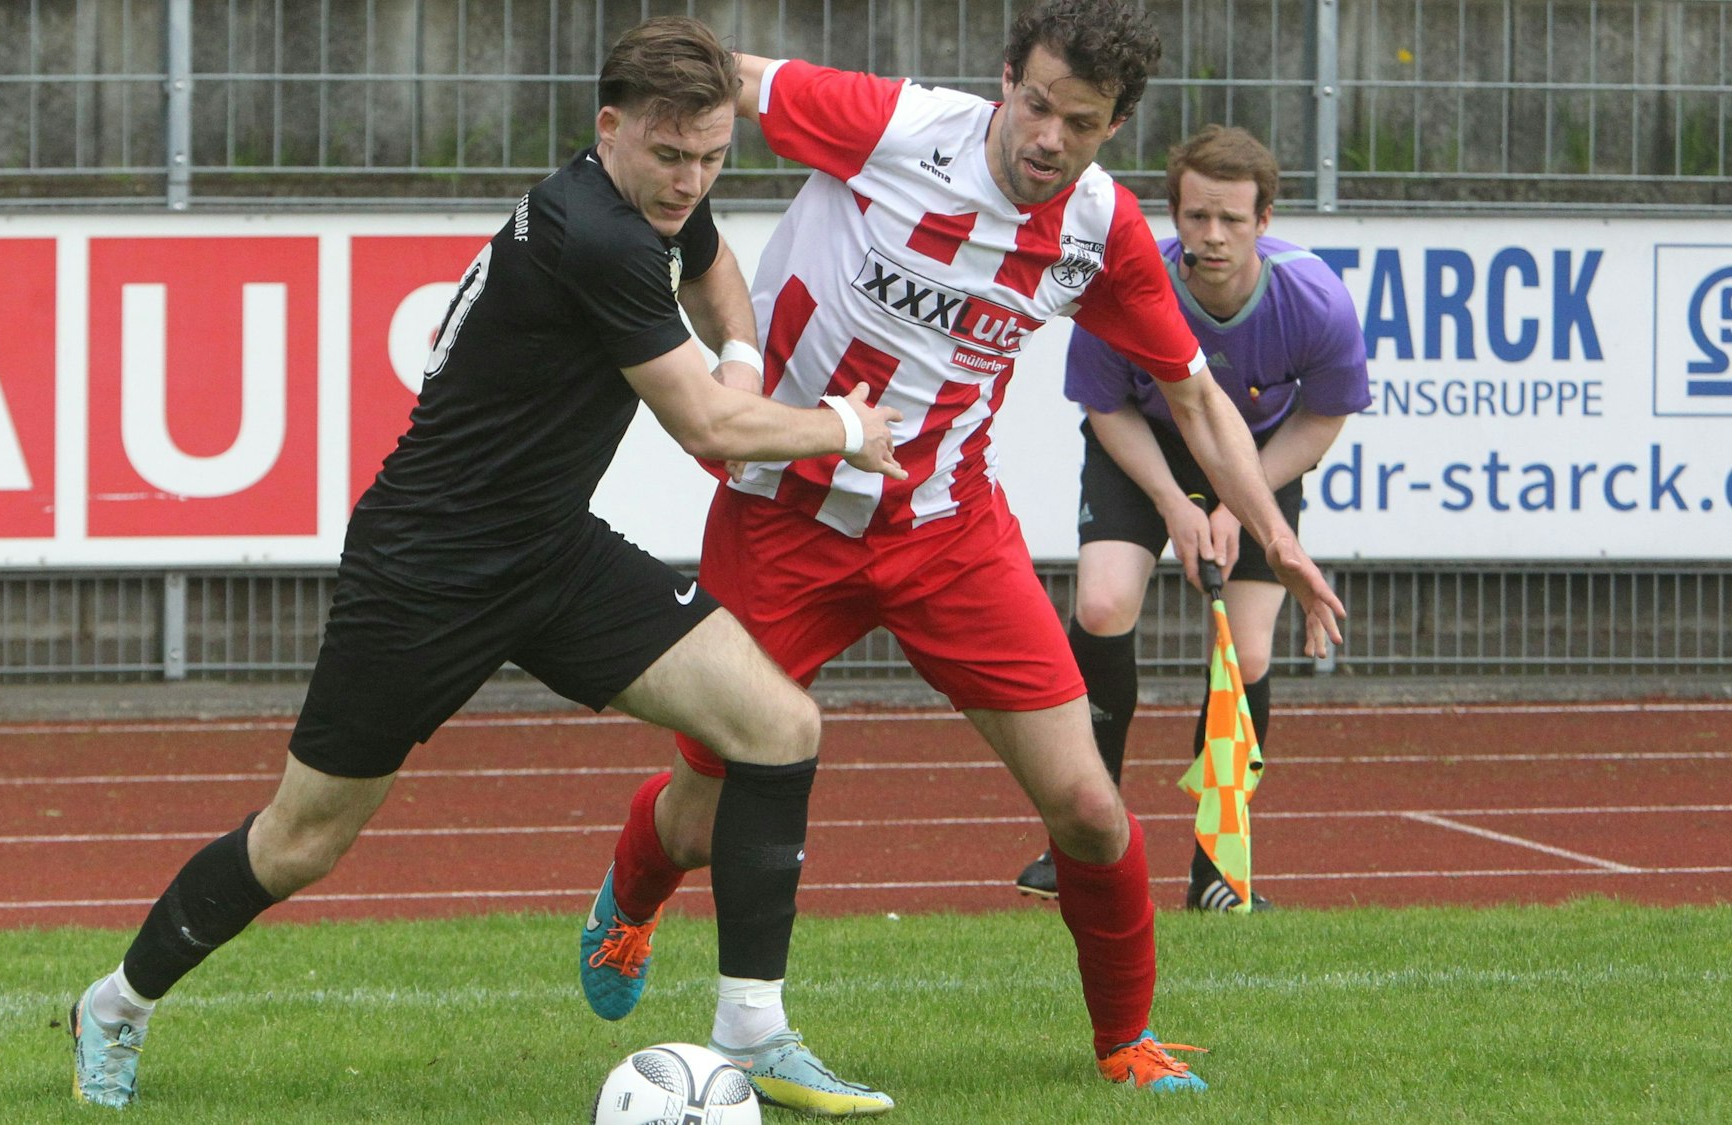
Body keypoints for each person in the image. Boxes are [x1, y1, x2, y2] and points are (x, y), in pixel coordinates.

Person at [64, 17, 907, 1109]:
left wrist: (741, 349)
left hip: (548, 551)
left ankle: (750, 1029)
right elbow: (705, 427)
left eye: (710, 159)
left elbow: (709, 268)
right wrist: (839, 428)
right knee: (302, 842)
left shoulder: (654, 208)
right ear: (609, 130)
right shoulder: (595, 233)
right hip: (425, 571)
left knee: (778, 725)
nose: (690, 182)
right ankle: (117, 1004)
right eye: (669, 156)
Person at [576, 1, 1346, 1112]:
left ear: (1111, 128)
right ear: (1005, 82)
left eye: (1076, 122)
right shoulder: (894, 127)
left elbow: (1192, 394)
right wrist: (609, 158)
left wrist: (1277, 539)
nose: (1044, 136)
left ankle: (1125, 1042)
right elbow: (716, 72)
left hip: (946, 536)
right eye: (1031, 103)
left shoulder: (1101, 231)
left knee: (1085, 804)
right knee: (700, 814)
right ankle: (632, 900)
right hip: (780, 517)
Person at [1011, 124, 1370, 909]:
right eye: (1196, 216)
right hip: (1142, 448)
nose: (1212, 236)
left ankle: (1218, 867)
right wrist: (1175, 502)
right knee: (1102, 602)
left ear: (1264, 221)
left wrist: (1246, 501)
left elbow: (1323, 417)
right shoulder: (1130, 284)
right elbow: (1105, 408)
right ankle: (1080, 834)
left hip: (1260, 459)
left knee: (1243, 653)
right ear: (1173, 214)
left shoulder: (1316, 301)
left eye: (1232, 220)